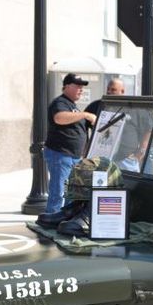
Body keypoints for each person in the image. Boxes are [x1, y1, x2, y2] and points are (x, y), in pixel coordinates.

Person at [43, 74, 96, 214]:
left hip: (73, 157)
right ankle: (51, 219)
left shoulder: (73, 106)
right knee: (58, 191)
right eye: (77, 86)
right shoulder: (60, 102)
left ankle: (64, 218)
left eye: (82, 87)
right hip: (60, 154)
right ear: (66, 86)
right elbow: (59, 118)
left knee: (71, 193)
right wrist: (85, 115)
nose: (81, 89)